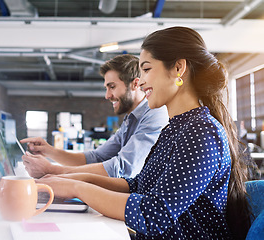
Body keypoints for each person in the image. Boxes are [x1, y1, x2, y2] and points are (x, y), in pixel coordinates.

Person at [36, 27, 251, 239]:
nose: (141, 81)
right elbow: (137, 186)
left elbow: (153, 215)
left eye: (146, 69)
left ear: (178, 68)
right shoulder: (176, 128)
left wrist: (75, 188)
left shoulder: (202, 131)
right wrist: (70, 178)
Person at [21, 54, 169, 179]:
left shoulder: (155, 115)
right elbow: (96, 158)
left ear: (135, 84)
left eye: (112, 87)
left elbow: (122, 168)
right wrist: (49, 151)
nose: (107, 95)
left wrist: (52, 170)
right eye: (106, 88)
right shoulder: (130, 119)